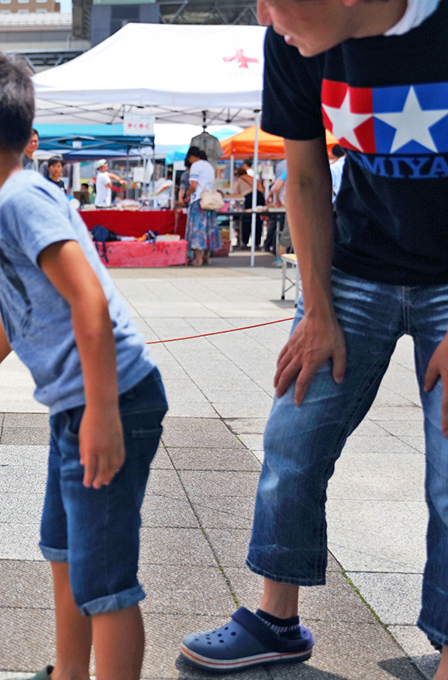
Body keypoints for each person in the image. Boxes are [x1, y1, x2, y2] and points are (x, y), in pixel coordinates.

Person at [180, 0, 448, 676]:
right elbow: (304, 176)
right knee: (293, 434)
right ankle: (276, 619)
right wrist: (318, 309)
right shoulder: (296, 41)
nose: (265, 15)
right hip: (357, 262)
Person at [0, 46, 167, 680]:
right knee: (65, 552)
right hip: (85, 405)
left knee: (106, 581)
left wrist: (100, 414)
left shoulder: (17, 202)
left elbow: (89, 302)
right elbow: (31, 305)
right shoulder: (15, 195)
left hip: (110, 400)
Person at [185, 148, 221, 266]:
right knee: (208, 229)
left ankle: (198, 258)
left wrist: (188, 193)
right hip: (208, 200)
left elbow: (194, 184)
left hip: (199, 201)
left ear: (192, 157)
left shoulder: (196, 166)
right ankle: (206, 256)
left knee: (198, 229)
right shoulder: (209, 166)